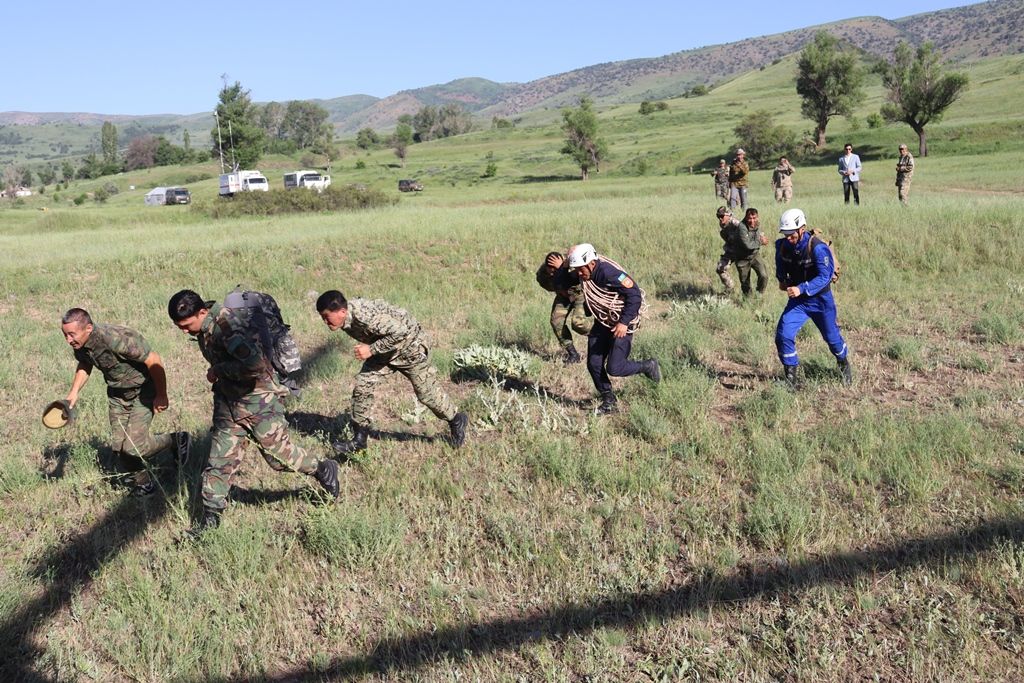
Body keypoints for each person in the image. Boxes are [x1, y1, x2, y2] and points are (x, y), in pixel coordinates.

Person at [168, 290, 339, 538]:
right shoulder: (204, 328)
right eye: (179, 327)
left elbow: (255, 365)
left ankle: (323, 469)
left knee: (279, 460)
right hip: (229, 402)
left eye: (186, 325)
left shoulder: (227, 327)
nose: (184, 331)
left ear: (202, 312)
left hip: (259, 402)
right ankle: (210, 521)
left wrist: (219, 369)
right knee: (219, 462)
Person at [315, 290, 468, 455]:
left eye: (326, 316)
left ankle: (456, 419)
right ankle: (359, 441)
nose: (325, 321)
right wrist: (375, 350)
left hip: (410, 350)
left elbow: (401, 332)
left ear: (342, 311)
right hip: (385, 353)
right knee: (363, 386)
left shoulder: (365, 317)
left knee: (426, 394)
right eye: (322, 317)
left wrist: (371, 349)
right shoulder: (344, 319)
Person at [61, 308, 189, 496]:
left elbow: (153, 359)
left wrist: (161, 394)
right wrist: (74, 392)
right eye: (65, 335)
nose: (68, 340)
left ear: (88, 328)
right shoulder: (81, 345)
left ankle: (176, 440)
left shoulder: (115, 339)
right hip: (117, 394)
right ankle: (144, 485)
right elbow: (85, 363)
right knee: (120, 447)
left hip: (143, 390)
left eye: (72, 334)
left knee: (133, 447)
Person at [566, 243, 660, 415]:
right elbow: (564, 275)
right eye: (577, 270)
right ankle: (609, 400)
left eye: (580, 269)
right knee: (593, 364)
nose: (578, 274)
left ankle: (648, 366)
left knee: (615, 368)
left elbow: (634, 293)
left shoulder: (608, 273)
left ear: (591, 263)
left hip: (621, 323)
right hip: (603, 322)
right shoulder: (585, 275)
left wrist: (623, 322)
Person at [774, 209, 852, 388]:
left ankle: (843, 363)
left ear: (802, 229)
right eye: (785, 234)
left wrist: (801, 288)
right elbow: (780, 266)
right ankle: (791, 379)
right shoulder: (782, 246)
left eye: (791, 235)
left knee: (832, 338)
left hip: (821, 301)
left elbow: (825, 276)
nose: (788, 239)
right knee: (783, 334)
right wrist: (782, 280)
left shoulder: (817, 247)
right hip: (799, 303)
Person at [536, 251, 593, 364]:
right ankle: (573, 354)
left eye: (555, 271)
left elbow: (579, 278)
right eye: (551, 272)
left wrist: (563, 268)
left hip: (579, 293)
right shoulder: (543, 274)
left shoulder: (573, 264)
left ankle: (599, 337)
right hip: (563, 296)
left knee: (578, 322)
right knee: (556, 321)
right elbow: (548, 283)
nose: (552, 274)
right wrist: (560, 290)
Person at [721, 208, 770, 296]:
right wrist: (761, 242)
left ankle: (759, 295)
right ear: (746, 217)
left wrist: (761, 238)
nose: (752, 221)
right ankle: (748, 301)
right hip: (742, 258)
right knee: (745, 283)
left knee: (764, 276)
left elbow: (757, 235)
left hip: (754, 255)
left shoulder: (757, 224)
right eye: (749, 218)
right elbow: (748, 245)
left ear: (757, 217)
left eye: (754, 218)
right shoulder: (741, 228)